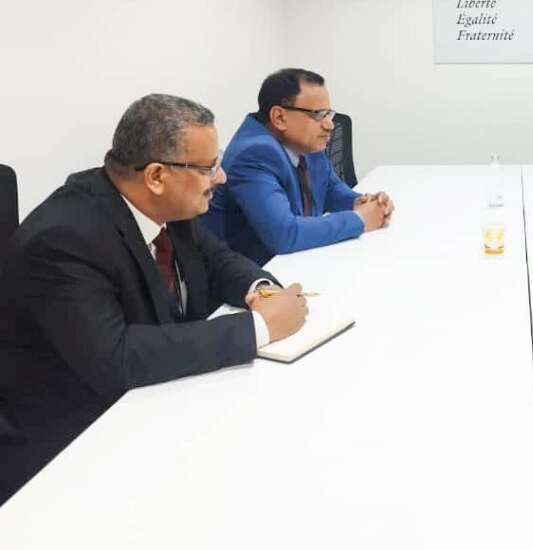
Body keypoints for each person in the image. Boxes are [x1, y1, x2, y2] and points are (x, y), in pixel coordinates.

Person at [0, 95, 309, 504]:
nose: (221, 177)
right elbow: (117, 358)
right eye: (208, 167)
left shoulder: (162, 206)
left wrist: (263, 292)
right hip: (71, 453)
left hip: (153, 408)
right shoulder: (63, 239)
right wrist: (260, 327)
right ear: (157, 176)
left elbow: (218, 261)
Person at [202, 69, 393, 265]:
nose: (329, 125)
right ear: (279, 117)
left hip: (300, 262)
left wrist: (363, 203)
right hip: (259, 272)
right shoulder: (253, 154)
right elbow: (284, 234)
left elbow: (329, 188)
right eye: (318, 114)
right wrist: (360, 220)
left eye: (328, 113)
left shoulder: (306, 143)